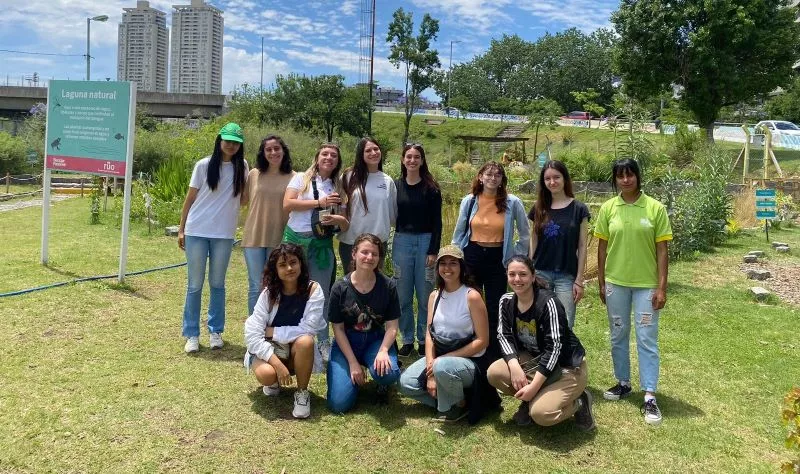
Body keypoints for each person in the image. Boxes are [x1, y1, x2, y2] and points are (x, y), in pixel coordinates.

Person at [594, 158, 672, 426]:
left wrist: (661, 287)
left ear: (638, 177)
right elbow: (602, 248)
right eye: (620, 176)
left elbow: (662, 250)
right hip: (616, 284)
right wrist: (602, 281)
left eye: (630, 175)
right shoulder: (608, 208)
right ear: (615, 180)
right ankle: (623, 382)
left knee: (646, 338)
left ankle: (649, 394)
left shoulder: (655, 208)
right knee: (618, 334)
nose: (625, 180)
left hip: (646, 286)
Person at [488, 256, 595, 430]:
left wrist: (534, 386)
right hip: (533, 359)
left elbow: (554, 349)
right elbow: (504, 335)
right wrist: (514, 366)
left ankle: (580, 401)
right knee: (495, 373)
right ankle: (530, 399)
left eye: (523, 274)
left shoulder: (548, 303)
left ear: (532, 276)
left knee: (542, 414)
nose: (517, 279)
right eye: (512, 274)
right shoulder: (506, 301)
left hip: (566, 367)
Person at [399, 245, 500, 423]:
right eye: (443, 263)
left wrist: (442, 361)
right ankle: (459, 401)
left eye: (453, 263)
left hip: (470, 361)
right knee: (406, 383)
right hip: (441, 356)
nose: (447, 268)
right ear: (437, 268)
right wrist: (431, 373)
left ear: (462, 267)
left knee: (442, 367)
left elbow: (483, 341)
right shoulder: (434, 296)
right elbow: (430, 334)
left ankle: (454, 408)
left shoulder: (472, 296)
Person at [178, 122, 248, 353]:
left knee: (218, 284)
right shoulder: (203, 165)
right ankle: (192, 334)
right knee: (195, 285)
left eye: (236, 142)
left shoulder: (243, 167)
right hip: (197, 230)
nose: (231, 145)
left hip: (224, 234)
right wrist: (181, 230)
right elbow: (189, 199)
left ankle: (215, 330)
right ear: (219, 140)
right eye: (227, 140)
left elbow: (245, 200)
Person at [451, 161, 530, 357]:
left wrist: (515, 255)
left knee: (496, 305)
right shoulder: (469, 201)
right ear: (480, 177)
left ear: (502, 179)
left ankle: (494, 349)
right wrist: (455, 256)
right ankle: (471, 345)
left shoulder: (512, 202)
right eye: (489, 174)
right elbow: (459, 232)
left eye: (497, 175)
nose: (493, 178)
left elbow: (525, 233)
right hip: (473, 255)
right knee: (471, 302)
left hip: (499, 259)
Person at [283, 143, 350, 363]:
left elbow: (344, 222)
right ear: (317, 156)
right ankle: (291, 339)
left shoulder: (338, 186)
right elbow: (288, 204)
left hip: (321, 244)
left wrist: (338, 219)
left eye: (333, 155)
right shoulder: (301, 178)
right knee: (292, 292)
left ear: (337, 161)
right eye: (325, 154)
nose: (328, 158)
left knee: (321, 295)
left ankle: (322, 341)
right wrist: (318, 202)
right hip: (296, 244)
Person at [243, 243, 326, 419]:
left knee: (306, 341)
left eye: (293, 262)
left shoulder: (313, 290)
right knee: (267, 375)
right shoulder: (268, 294)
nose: (289, 268)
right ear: (275, 270)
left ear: (301, 264)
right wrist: (277, 364)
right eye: (282, 265)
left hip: (297, 350)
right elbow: (252, 334)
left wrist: (272, 331)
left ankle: (302, 393)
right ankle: (274, 382)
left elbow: (309, 329)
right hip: (273, 350)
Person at [326, 233, 402, 413]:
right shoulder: (340, 288)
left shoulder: (388, 286)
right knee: (339, 405)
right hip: (347, 342)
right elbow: (337, 328)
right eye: (364, 252)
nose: (369, 257)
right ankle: (347, 375)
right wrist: (352, 362)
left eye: (374, 254)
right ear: (354, 254)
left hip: (375, 340)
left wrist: (383, 350)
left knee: (389, 373)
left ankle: (382, 382)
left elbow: (392, 326)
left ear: (379, 258)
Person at [393, 143, 442, 357]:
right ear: (403, 160)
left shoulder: (431, 188)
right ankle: (405, 338)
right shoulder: (395, 186)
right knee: (402, 295)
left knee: (425, 295)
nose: (412, 160)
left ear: (422, 161)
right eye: (408, 157)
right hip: (402, 242)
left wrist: (433, 250)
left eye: (416, 157)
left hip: (425, 242)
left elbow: (438, 223)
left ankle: (423, 339)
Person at [528, 160, 590, 329]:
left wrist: (579, 278)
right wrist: (530, 268)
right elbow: (533, 238)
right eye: (547, 179)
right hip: (541, 272)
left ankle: (564, 355)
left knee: (565, 321)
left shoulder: (579, 209)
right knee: (540, 321)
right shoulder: (539, 208)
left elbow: (583, 245)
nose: (552, 182)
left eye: (556, 177)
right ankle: (543, 355)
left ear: (565, 179)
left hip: (567, 275)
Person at [241, 135, 295, 316]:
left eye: (277, 148)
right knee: (256, 286)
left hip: (279, 238)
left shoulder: (294, 177)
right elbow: (241, 200)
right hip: (254, 236)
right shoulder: (254, 174)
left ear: (283, 151)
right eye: (269, 149)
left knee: (274, 285)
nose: (273, 153)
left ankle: (272, 329)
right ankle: (254, 333)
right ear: (263, 153)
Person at [338, 137, 397, 273]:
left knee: (374, 287)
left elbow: (393, 216)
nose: (373, 153)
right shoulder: (348, 176)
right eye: (368, 150)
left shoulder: (387, 181)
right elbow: (339, 206)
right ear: (361, 154)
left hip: (377, 244)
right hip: (351, 242)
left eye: (376, 149)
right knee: (351, 286)